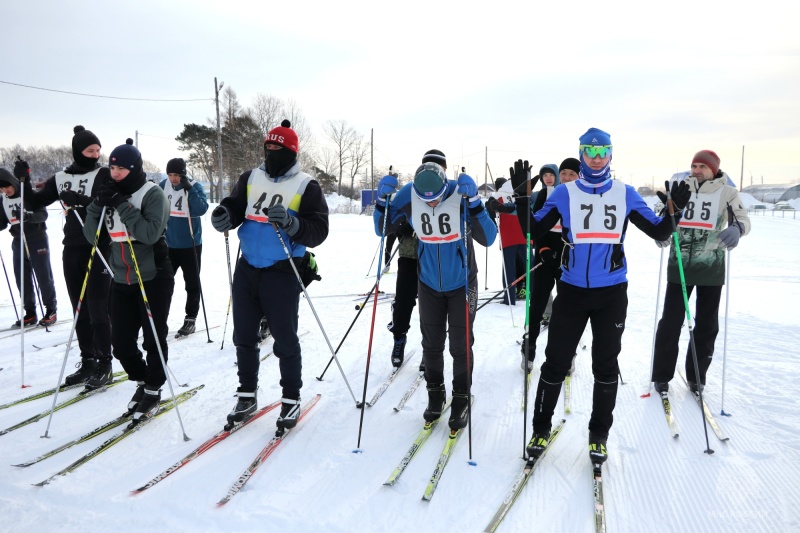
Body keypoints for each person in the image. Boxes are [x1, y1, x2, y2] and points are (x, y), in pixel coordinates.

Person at [511, 128, 690, 465]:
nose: (595, 157)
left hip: (611, 293)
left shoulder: (624, 193)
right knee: (555, 362)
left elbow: (658, 230)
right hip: (572, 291)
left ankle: (598, 435)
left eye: (601, 151)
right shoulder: (564, 193)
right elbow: (531, 230)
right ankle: (539, 428)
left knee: (605, 365)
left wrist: (673, 211)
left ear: (610, 154)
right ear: (581, 154)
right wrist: (522, 197)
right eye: (589, 151)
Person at [210, 120, 329, 432]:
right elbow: (235, 206)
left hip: (283, 270)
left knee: (285, 339)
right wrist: (225, 216)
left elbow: (319, 230)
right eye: (268, 147)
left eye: (278, 148)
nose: (271, 152)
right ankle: (247, 395)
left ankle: (291, 399)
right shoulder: (250, 177)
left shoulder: (307, 185)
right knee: (244, 336)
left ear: (290, 152)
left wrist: (293, 224)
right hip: (248, 266)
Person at [374, 149, 497, 431]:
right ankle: (435, 394)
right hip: (428, 282)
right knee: (431, 345)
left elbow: (488, 238)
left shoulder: (458, 192)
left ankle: (461, 396)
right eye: (425, 200)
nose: (432, 203)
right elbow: (383, 230)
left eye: (437, 198)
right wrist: (382, 203)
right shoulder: (409, 194)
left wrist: (476, 202)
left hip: (462, 283)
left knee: (460, 344)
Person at [82, 139, 173, 423]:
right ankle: (143, 380)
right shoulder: (110, 193)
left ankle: (154, 388)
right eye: (113, 167)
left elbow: (148, 233)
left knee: (153, 338)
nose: (116, 172)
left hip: (153, 277)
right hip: (121, 277)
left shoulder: (152, 194)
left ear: (134, 168)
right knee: (120, 342)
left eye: (121, 168)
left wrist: (121, 204)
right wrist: (98, 204)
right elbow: (91, 236)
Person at [651, 150, 750, 394]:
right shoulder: (680, 188)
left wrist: (737, 229)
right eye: (694, 166)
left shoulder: (727, 192)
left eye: (702, 167)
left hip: (711, 267)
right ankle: (662, 375)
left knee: (706, 325)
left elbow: (743, 220)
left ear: (714, 169)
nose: (696, 170)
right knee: (670, 324)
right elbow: (662, 216)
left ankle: (697, 376)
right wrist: (663, 226)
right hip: (680, 267)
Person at [24, 126, 114, 389]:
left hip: (98, 245)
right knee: (79, 309)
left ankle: (105, 363)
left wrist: (82, 200)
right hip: (72, 247)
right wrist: (25, 180)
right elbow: (34, 202)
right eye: (90, 150)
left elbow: (108, 200)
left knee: (98, 309)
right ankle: (88, 360)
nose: (95, 154)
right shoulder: (61, 177)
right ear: (78, 151)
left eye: (98, 150)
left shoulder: (104, 173)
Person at [515, 163, 561, 372]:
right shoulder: (540, 196)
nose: (548, 178)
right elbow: (533, 227)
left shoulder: (572, 196)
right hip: (543, 257)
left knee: (567, 308)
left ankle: (566, 353)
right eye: (545, 175)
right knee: (537, 306)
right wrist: (542, 248)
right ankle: (529, 350)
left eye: (552, 175)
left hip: (565, 259)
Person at [0, 166, 58, 329]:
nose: (6, 190)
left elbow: (43, 215)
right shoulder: (3, 199)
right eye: (2, 188)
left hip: (37, 239)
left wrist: (27, 217)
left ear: (13, 182)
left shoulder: (29, 194)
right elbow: (3, 222)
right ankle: (30, 312)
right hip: (18, 240)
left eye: (7, 186)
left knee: (43, 276)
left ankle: (51, 310)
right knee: (22, 278)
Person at [159, 157, 209, 337]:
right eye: (170, 174)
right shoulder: (163, 185)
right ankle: (159, 317)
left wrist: (190, 189)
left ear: (183, 174)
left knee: (192, 284)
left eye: (177, 175)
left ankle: (191, 318)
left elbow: (202, 209)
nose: (173, 179)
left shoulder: (194, 186)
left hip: (191, 245)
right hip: (169, 245)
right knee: (163, 283)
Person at [486, 177, 527, 305]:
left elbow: (490, 212)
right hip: (525, 234)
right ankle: (531, 292)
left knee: (509, 268)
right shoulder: (521, 191)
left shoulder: (498, 195)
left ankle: (509, 297)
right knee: (528, 266)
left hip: (508, 236)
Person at [385, 220, 419, 367]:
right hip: (408, 256)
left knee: (432, 306)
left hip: (432, 255)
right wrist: (399, 228)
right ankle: (399, 338)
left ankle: (430, 349)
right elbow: (389, 222)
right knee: (403, 303)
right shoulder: (403, 197)